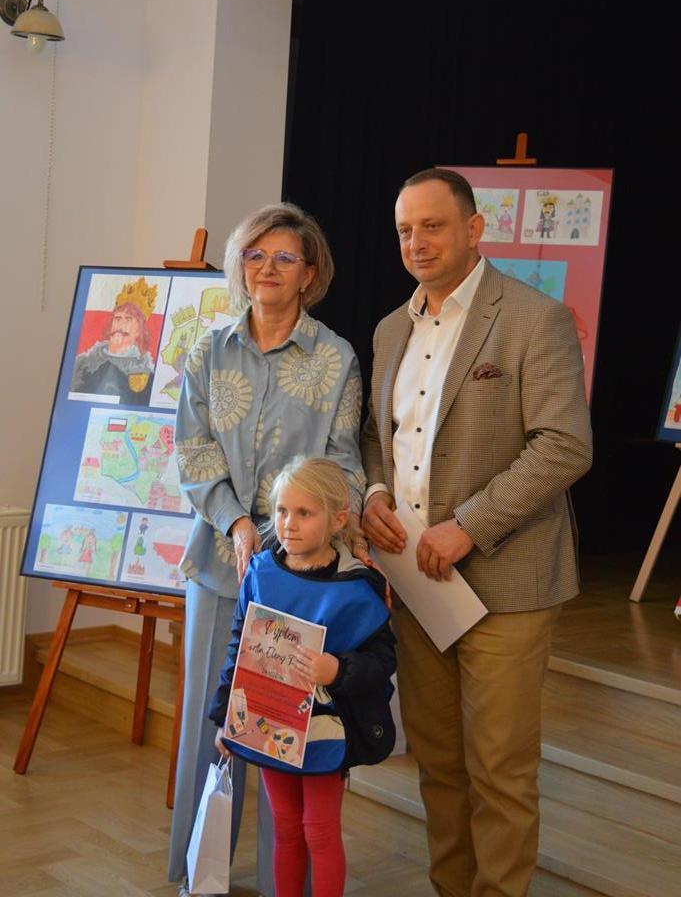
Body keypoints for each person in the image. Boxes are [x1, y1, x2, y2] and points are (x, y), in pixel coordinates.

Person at [361, 168, 592, 897]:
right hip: (417, 584)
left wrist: (467, 526)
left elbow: (564, 446)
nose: (417, 242)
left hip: (506, 581)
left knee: (499, 768)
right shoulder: (389, 329)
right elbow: (378, 438)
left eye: (432, 226)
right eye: (404, 230)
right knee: (438, 763)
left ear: (473, 228)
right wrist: (372, 492)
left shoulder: (533, 318)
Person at [169, 203, 367, 895]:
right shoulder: (207, 349)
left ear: (310, 273)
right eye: (255, 255)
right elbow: (192, 451)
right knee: (211, 723)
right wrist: (234, 523)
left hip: (301, 573)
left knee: (286, 734)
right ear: (239, 265)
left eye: (285, 258)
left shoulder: (336, 357)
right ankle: (199, 875)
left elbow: (344, 461)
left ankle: (283, 882)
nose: (267, 269)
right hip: (220, 561)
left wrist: (302, 533)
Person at [209, 457, 396, 897]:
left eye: (304, 513)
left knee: (320, 830)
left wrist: (338, 669)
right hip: (267, 723)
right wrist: (225, 715)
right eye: (281, 511)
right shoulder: (261, 572)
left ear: (338, 519)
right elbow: (239, 646)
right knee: (286, 827)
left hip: (325, 730)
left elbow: (383, 659)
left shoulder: (357, 587)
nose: (288, 524)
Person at [71, 277, 158, 405]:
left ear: (139, 331)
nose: (120, 325)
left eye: (128, 319)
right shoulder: (81, 364)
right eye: (117, 318)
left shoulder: (146, 374)